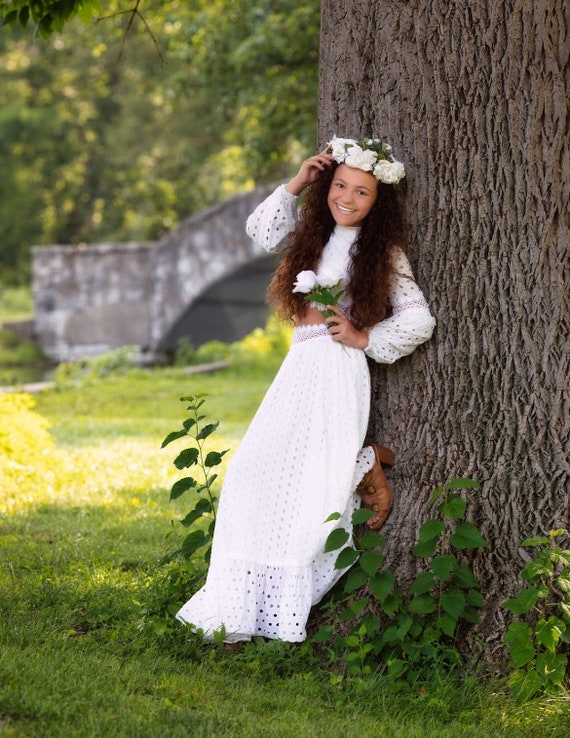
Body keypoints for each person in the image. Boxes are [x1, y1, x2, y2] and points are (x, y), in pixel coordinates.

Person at [176, 136, 436, 643]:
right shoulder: (311, 232)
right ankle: (241, 607)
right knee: (250, 472)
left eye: (362, 192)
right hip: (299, 363)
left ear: (377, 203)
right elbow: (259, 230)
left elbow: (418, 317)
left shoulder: (380, 250)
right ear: (327, 187)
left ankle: (361, 465)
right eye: (340, 186)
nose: (347, 198)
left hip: (337, 368)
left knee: (311, 482)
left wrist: (364, 337)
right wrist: (298, 181)